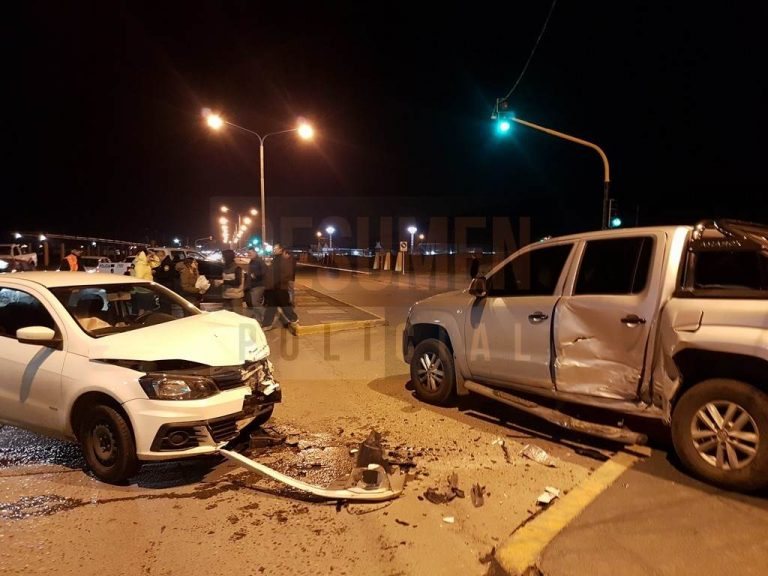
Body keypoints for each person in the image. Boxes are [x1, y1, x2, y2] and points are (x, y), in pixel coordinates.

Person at [262, 243, 299, 331]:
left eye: (276, 248)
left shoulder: (284, 260)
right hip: (273, 289)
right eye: (274, 248)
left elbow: (287, 274)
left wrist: (276, 283)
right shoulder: (274, 260)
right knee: (271, 307)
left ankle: (294, 319)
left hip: (280, 288)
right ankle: (267, 324)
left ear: (281, 250)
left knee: (285, 305)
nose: (274, 250)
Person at [217, 249, 247, 315]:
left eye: (223, 257)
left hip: (235, 296)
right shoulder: (225, 268)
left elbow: (238, 282)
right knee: (227, 317)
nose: (223, 258)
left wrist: (224, 282)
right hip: (226, 295)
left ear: (228, 257)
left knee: (237, 316)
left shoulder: (237, 268)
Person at [246, 249, 267, 324]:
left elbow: (265, 271)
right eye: (248, 253)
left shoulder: (259, 261)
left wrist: (255, 275)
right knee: (254, 303)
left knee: (255, 303)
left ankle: (267, 315)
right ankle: (258, 319)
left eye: (250, 253)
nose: (249, 254)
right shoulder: (252, 261)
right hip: (253, 285)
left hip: (259, 285)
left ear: (255, 253)